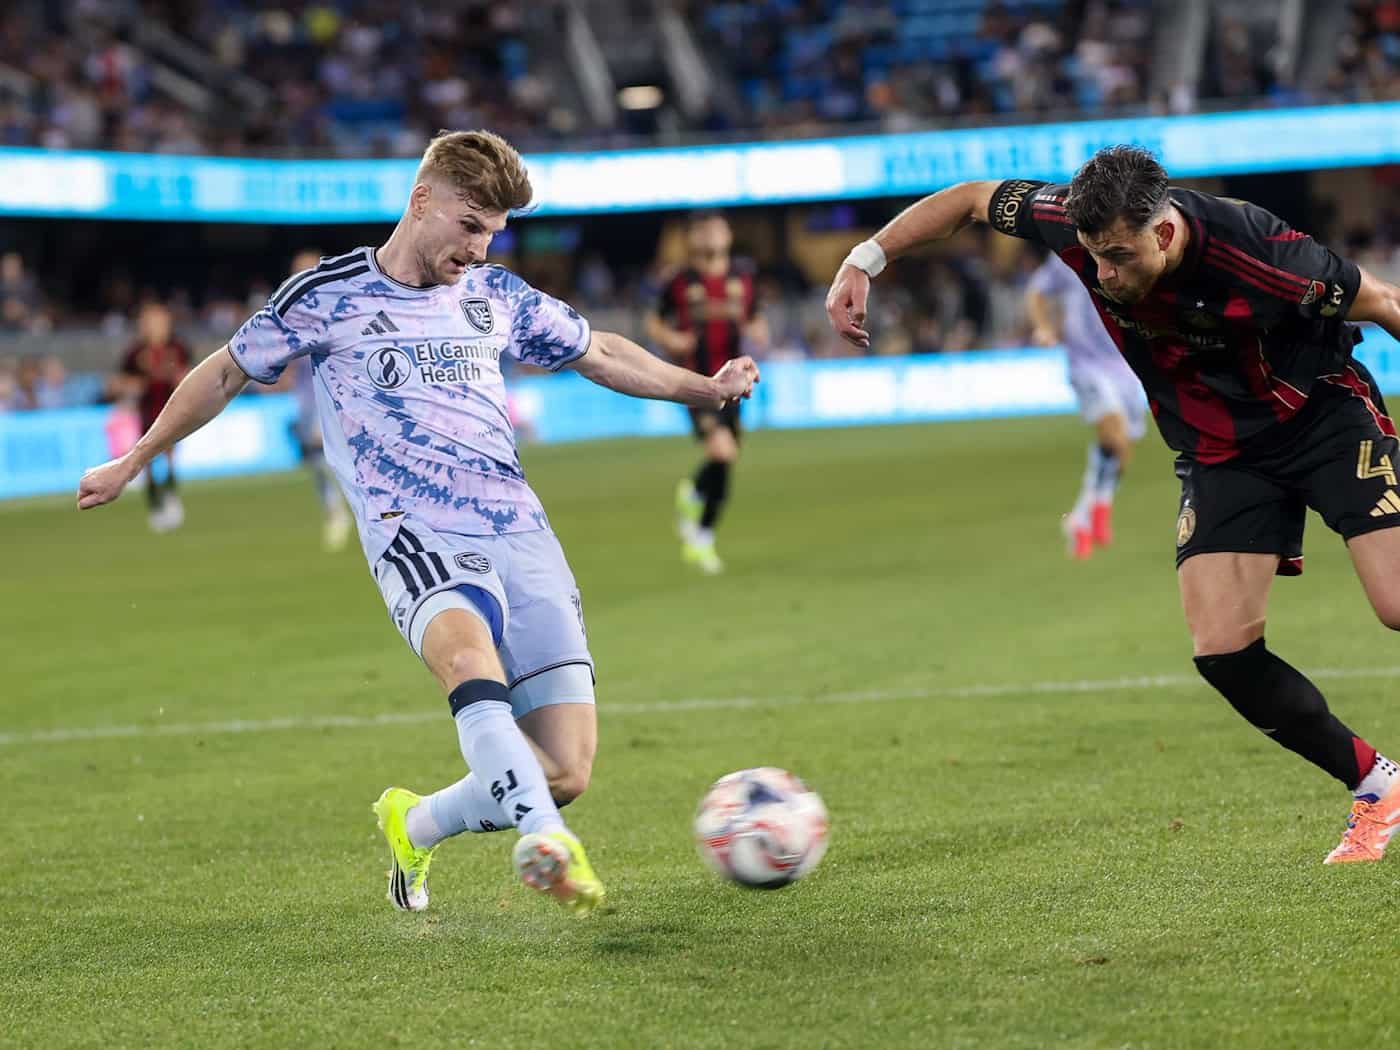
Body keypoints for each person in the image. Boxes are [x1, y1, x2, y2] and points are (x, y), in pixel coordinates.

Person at [78, 129, 760, 913]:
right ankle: (547, 841)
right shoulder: (328, 295)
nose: (479, 248)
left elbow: (598, 351)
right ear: (421, 200)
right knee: (469, 662)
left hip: (520, 530)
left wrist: (705, 389)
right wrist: (136, 459)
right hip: (413, 529)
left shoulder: (497, 295)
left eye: (492, 233)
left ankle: (418, 822)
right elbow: (227, 371)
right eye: (469, 226)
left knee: (566, 769)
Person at [827, 145, 1400, 864]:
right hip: (1222, 451)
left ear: (1165, 232)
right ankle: (1377, 785)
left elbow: (1385, 302)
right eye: (1095, 256)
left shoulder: (1263, 252)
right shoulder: (1070, 221)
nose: (1104, 275)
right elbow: (971, 198)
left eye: (1120, 257)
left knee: (1395, 604)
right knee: (1223, 650)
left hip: (1320, 418)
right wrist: (864, 261)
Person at [646, 210, 769, 574]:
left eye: (717, 229)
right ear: (691, 239)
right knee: (722, 450)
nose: (711, 235)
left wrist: (759, 331)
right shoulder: (680, 282)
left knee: (726, 458)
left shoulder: (743, 278)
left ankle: (696, 500)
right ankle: (701, 535)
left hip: (736, 383)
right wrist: (671, 338)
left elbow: (756, 316)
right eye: (703, 231)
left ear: (728, 235)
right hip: (696, 381)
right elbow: (653, 321)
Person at [1026, 252, 1147, 558]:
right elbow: (1036, 290)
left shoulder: (1132, 253)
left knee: (1123, 449)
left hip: (1125, 364)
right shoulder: (1068, 255)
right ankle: (1098, 510)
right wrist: (1043, 327)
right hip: (1086, 363)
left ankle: (1082, 516)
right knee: (1115, 435)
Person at [285, 248, 354, 551]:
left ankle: (344, 511)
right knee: (317, 460)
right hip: (305, 399)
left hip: (332, 398)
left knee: (331, 455)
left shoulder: (338, 309)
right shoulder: (291, 313)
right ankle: (334, 509)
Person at [112, 302, 192, 532]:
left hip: (173, 410)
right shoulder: (135, 352)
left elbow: (190, 373)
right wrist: (134, 386)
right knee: (146, 459)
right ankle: (154, 502)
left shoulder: (178, 347)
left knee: (170, 454)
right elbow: (119, 381)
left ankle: (171, 496)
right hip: (146, 413)